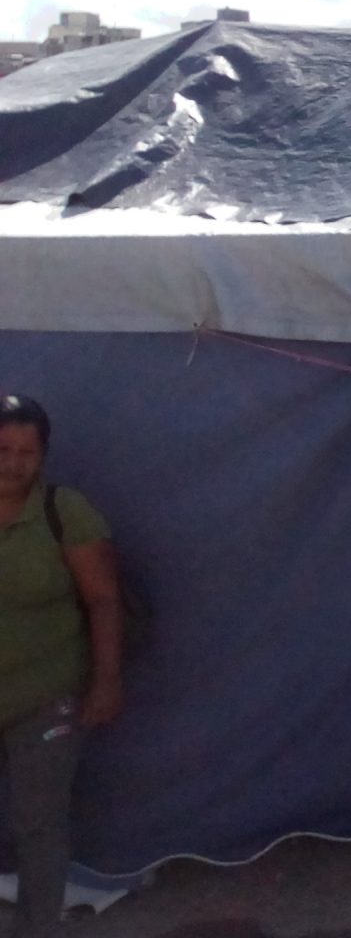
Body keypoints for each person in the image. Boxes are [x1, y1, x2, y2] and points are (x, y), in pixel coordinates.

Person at [0, 396, 124, 938]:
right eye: (2, 449)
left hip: (45, 693)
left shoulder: (63, 510)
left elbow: (103, 600)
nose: (13, 462)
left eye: (27, 451)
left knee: (40, 826)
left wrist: (106, 681)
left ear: (44, 454)